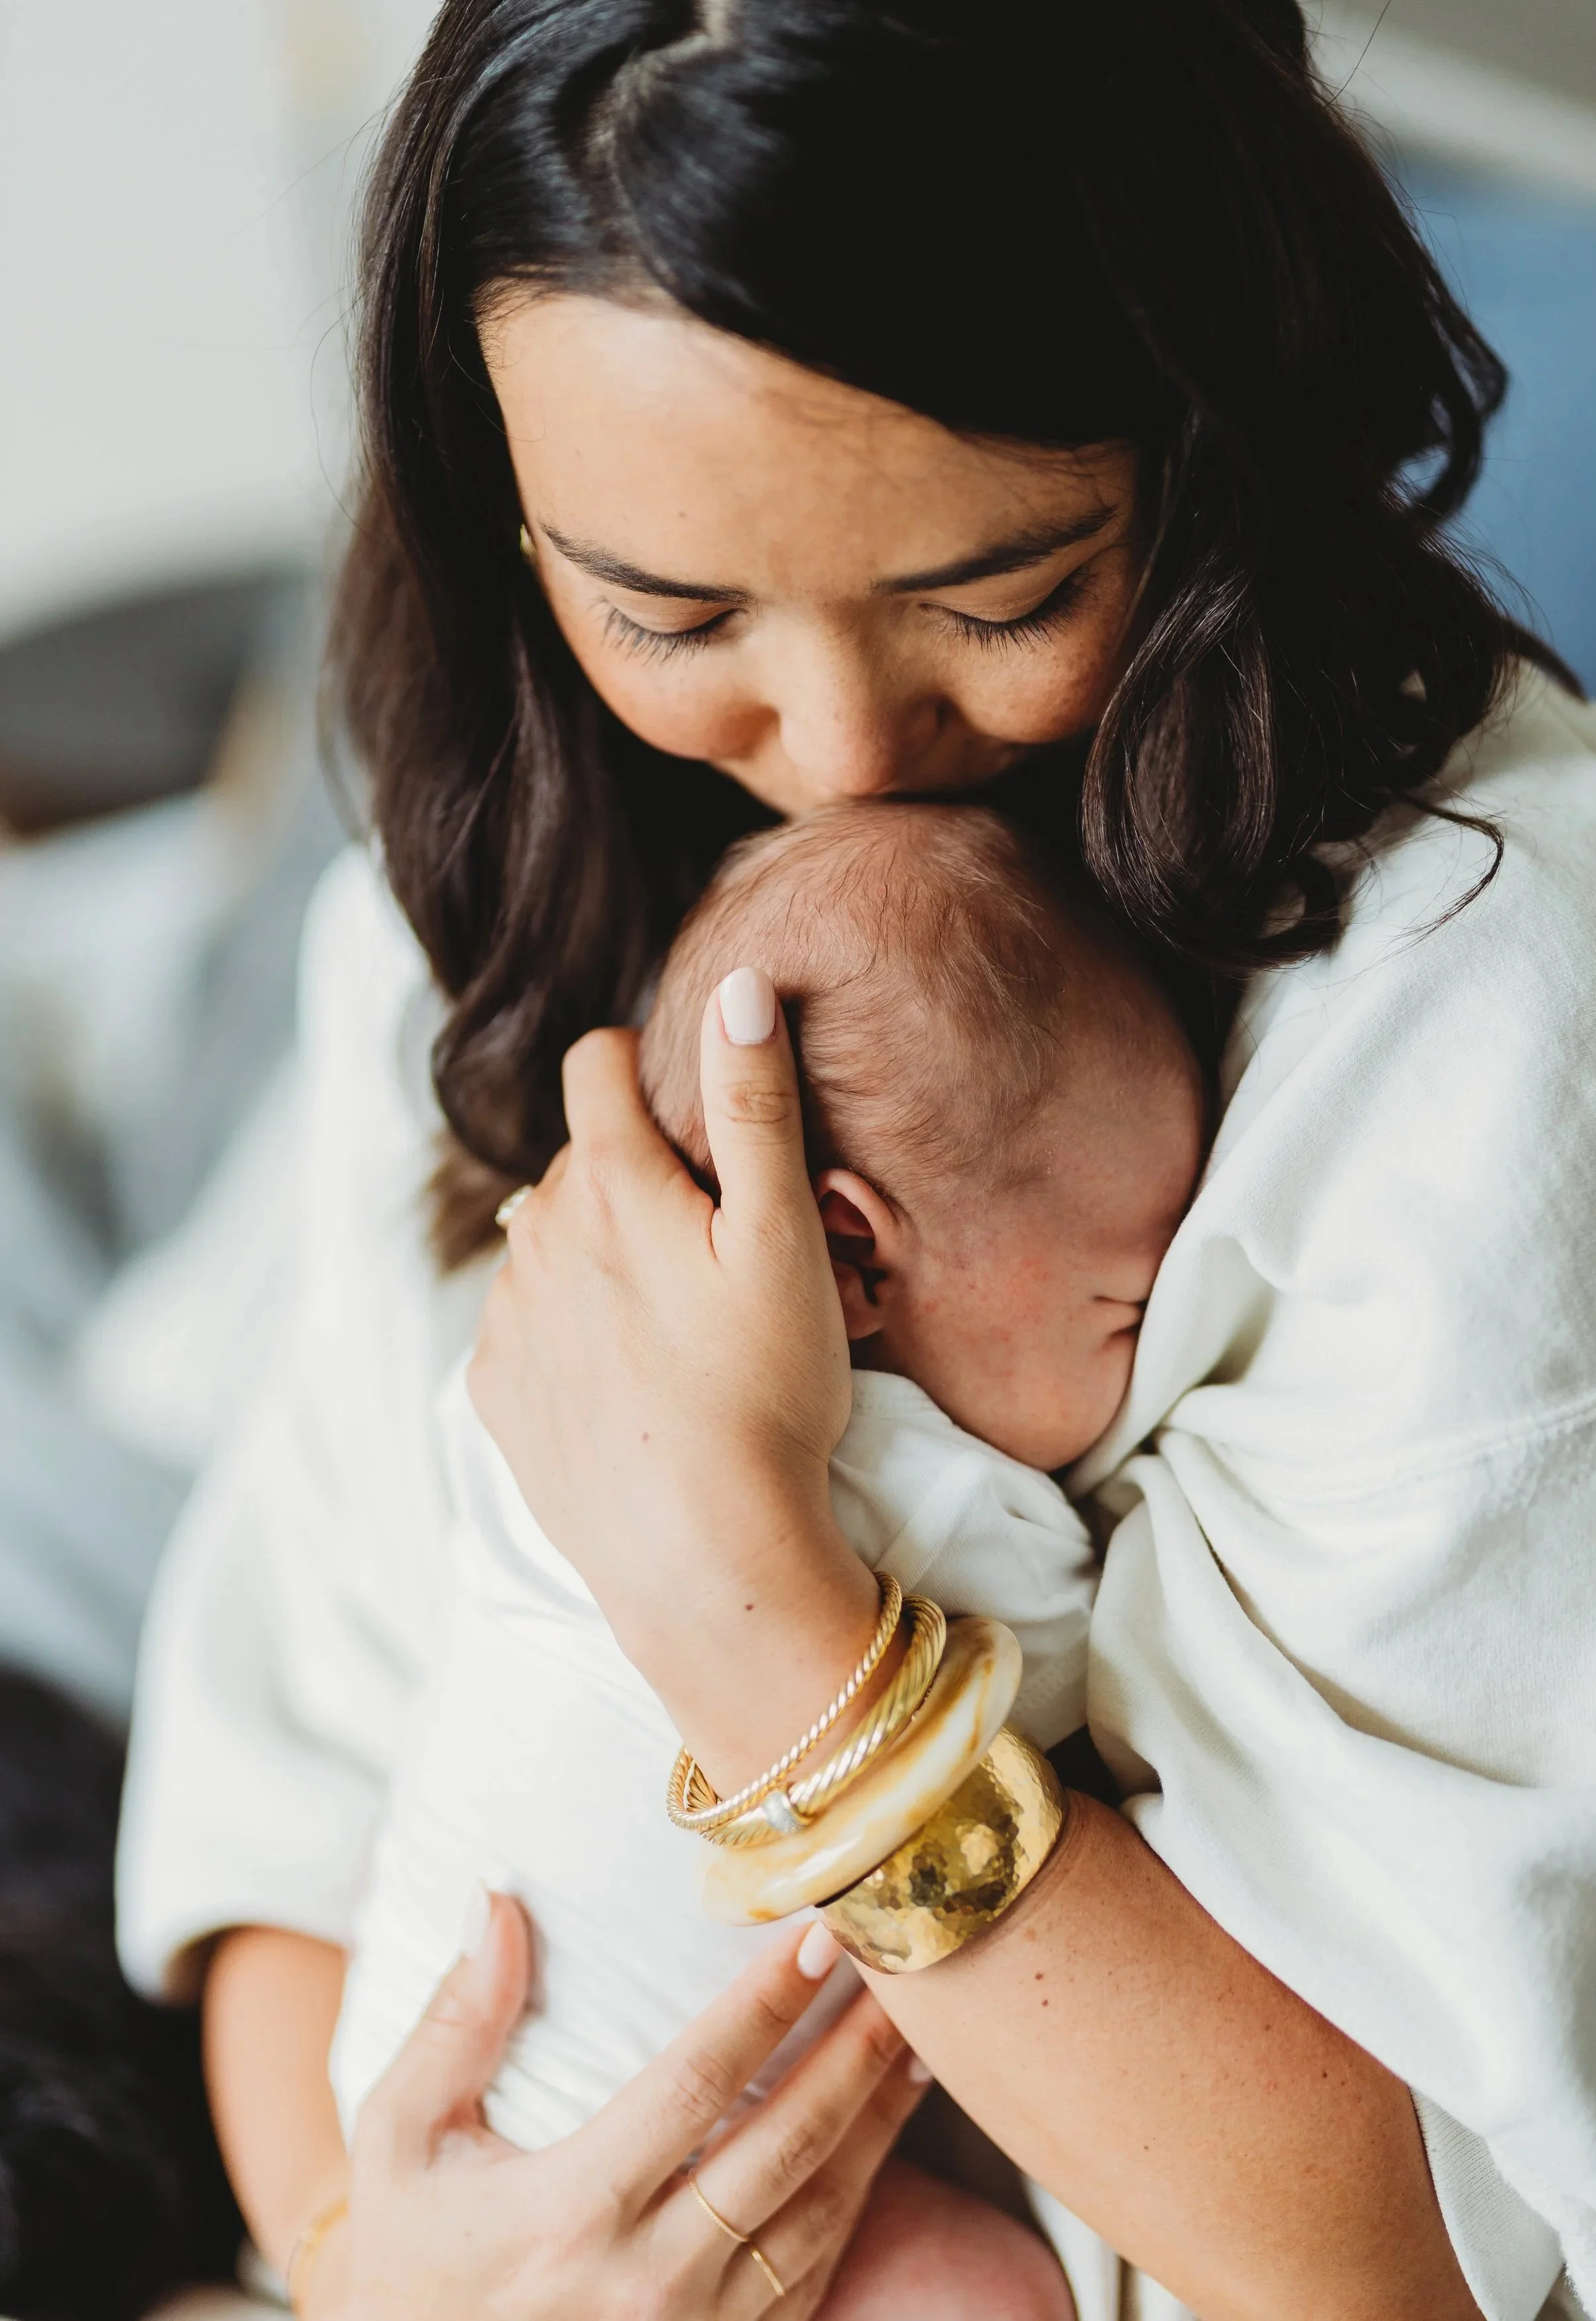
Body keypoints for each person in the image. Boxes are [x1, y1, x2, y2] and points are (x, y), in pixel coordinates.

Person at [114, 0, 1596, 2316]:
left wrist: (755, 1611)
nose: (833, 751)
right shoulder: (481, 904)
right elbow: (289, 1831)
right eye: (669, 610)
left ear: (1213, 434)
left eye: (1001, 589)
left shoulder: (1497, 988)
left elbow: (1414, 2263)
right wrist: (389, 2258)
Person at [327, 803, 1200, 2321]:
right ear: (855, 1260)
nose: (1152, 1354)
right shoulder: (933, 1495)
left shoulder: (543, 1350)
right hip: (644, 2169)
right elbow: (1094, 1711)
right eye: (1123, 1312)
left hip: (408, 2072)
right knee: (990, 2291)